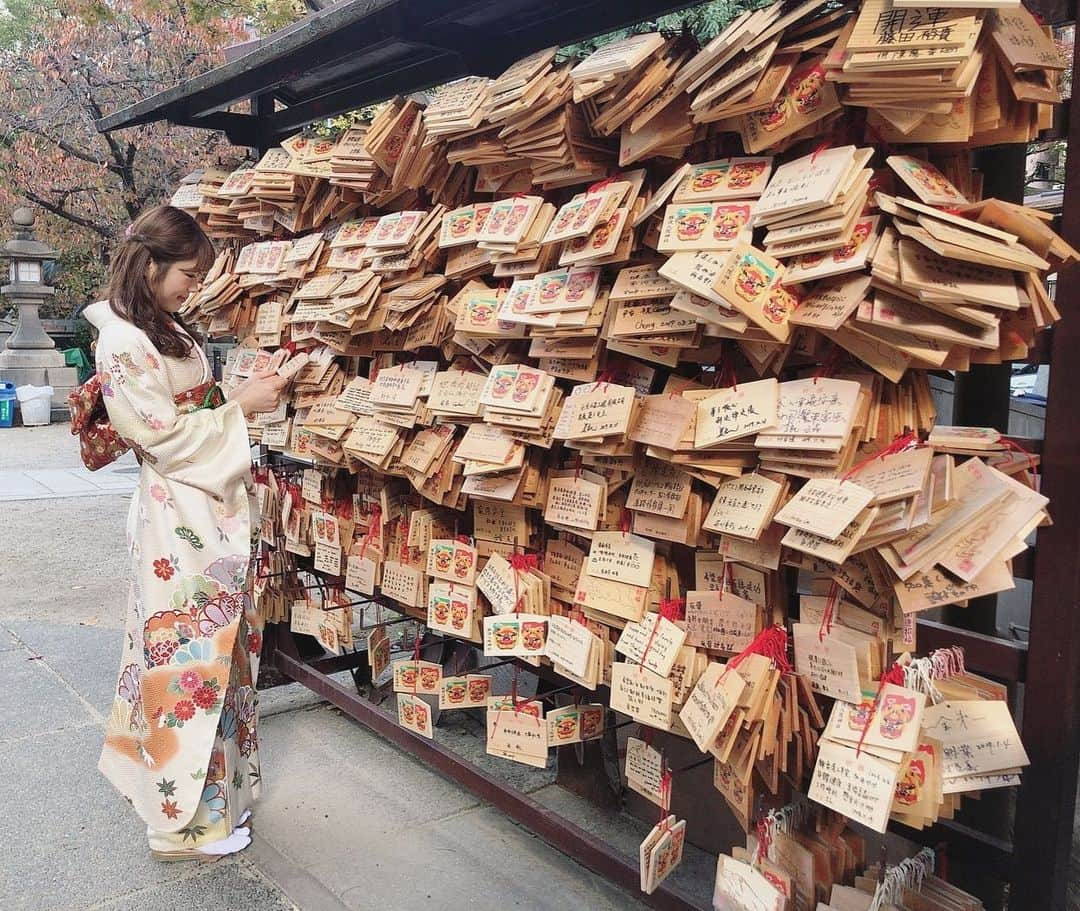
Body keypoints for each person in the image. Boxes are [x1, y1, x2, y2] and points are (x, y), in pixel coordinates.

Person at [83, 205, 288, 860]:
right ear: (150, 264)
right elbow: (160, 436)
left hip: (197, 515)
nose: (191, 288)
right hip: (177, 523)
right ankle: (179, 825)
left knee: (213, 662)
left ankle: (210, 813)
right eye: (187, 274)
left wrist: (239, 395)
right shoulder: (120, 338)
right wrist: (241, 409)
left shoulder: (156, 326)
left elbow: (191, 409)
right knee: (185, 667)